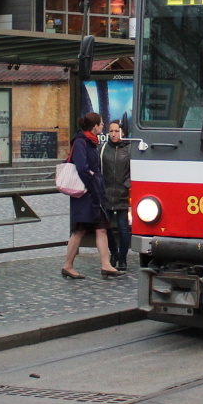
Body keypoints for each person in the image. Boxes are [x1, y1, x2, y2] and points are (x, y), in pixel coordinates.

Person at [62, 112, 124, 279]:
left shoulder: (91, 142)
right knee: (79, 231)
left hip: (94, 194)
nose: (103, 126)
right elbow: (82, 167)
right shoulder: (81, 141)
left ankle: (106, 265)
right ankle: (68, 265)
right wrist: (92, 183)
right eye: (101, 124)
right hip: (85, 194)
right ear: (94, 126)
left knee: (102, 229)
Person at [100, 119, 132, 271]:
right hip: (106, 192)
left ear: (123, 132)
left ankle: (123, 257)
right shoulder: (103, 148)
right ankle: (114, 253)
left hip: (122, 193)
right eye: (111, 131)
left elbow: (134, 170)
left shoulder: (129, 149)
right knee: (106, 227)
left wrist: (127, 185)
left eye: (116, 131)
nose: (113, 134)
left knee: (123, 227)